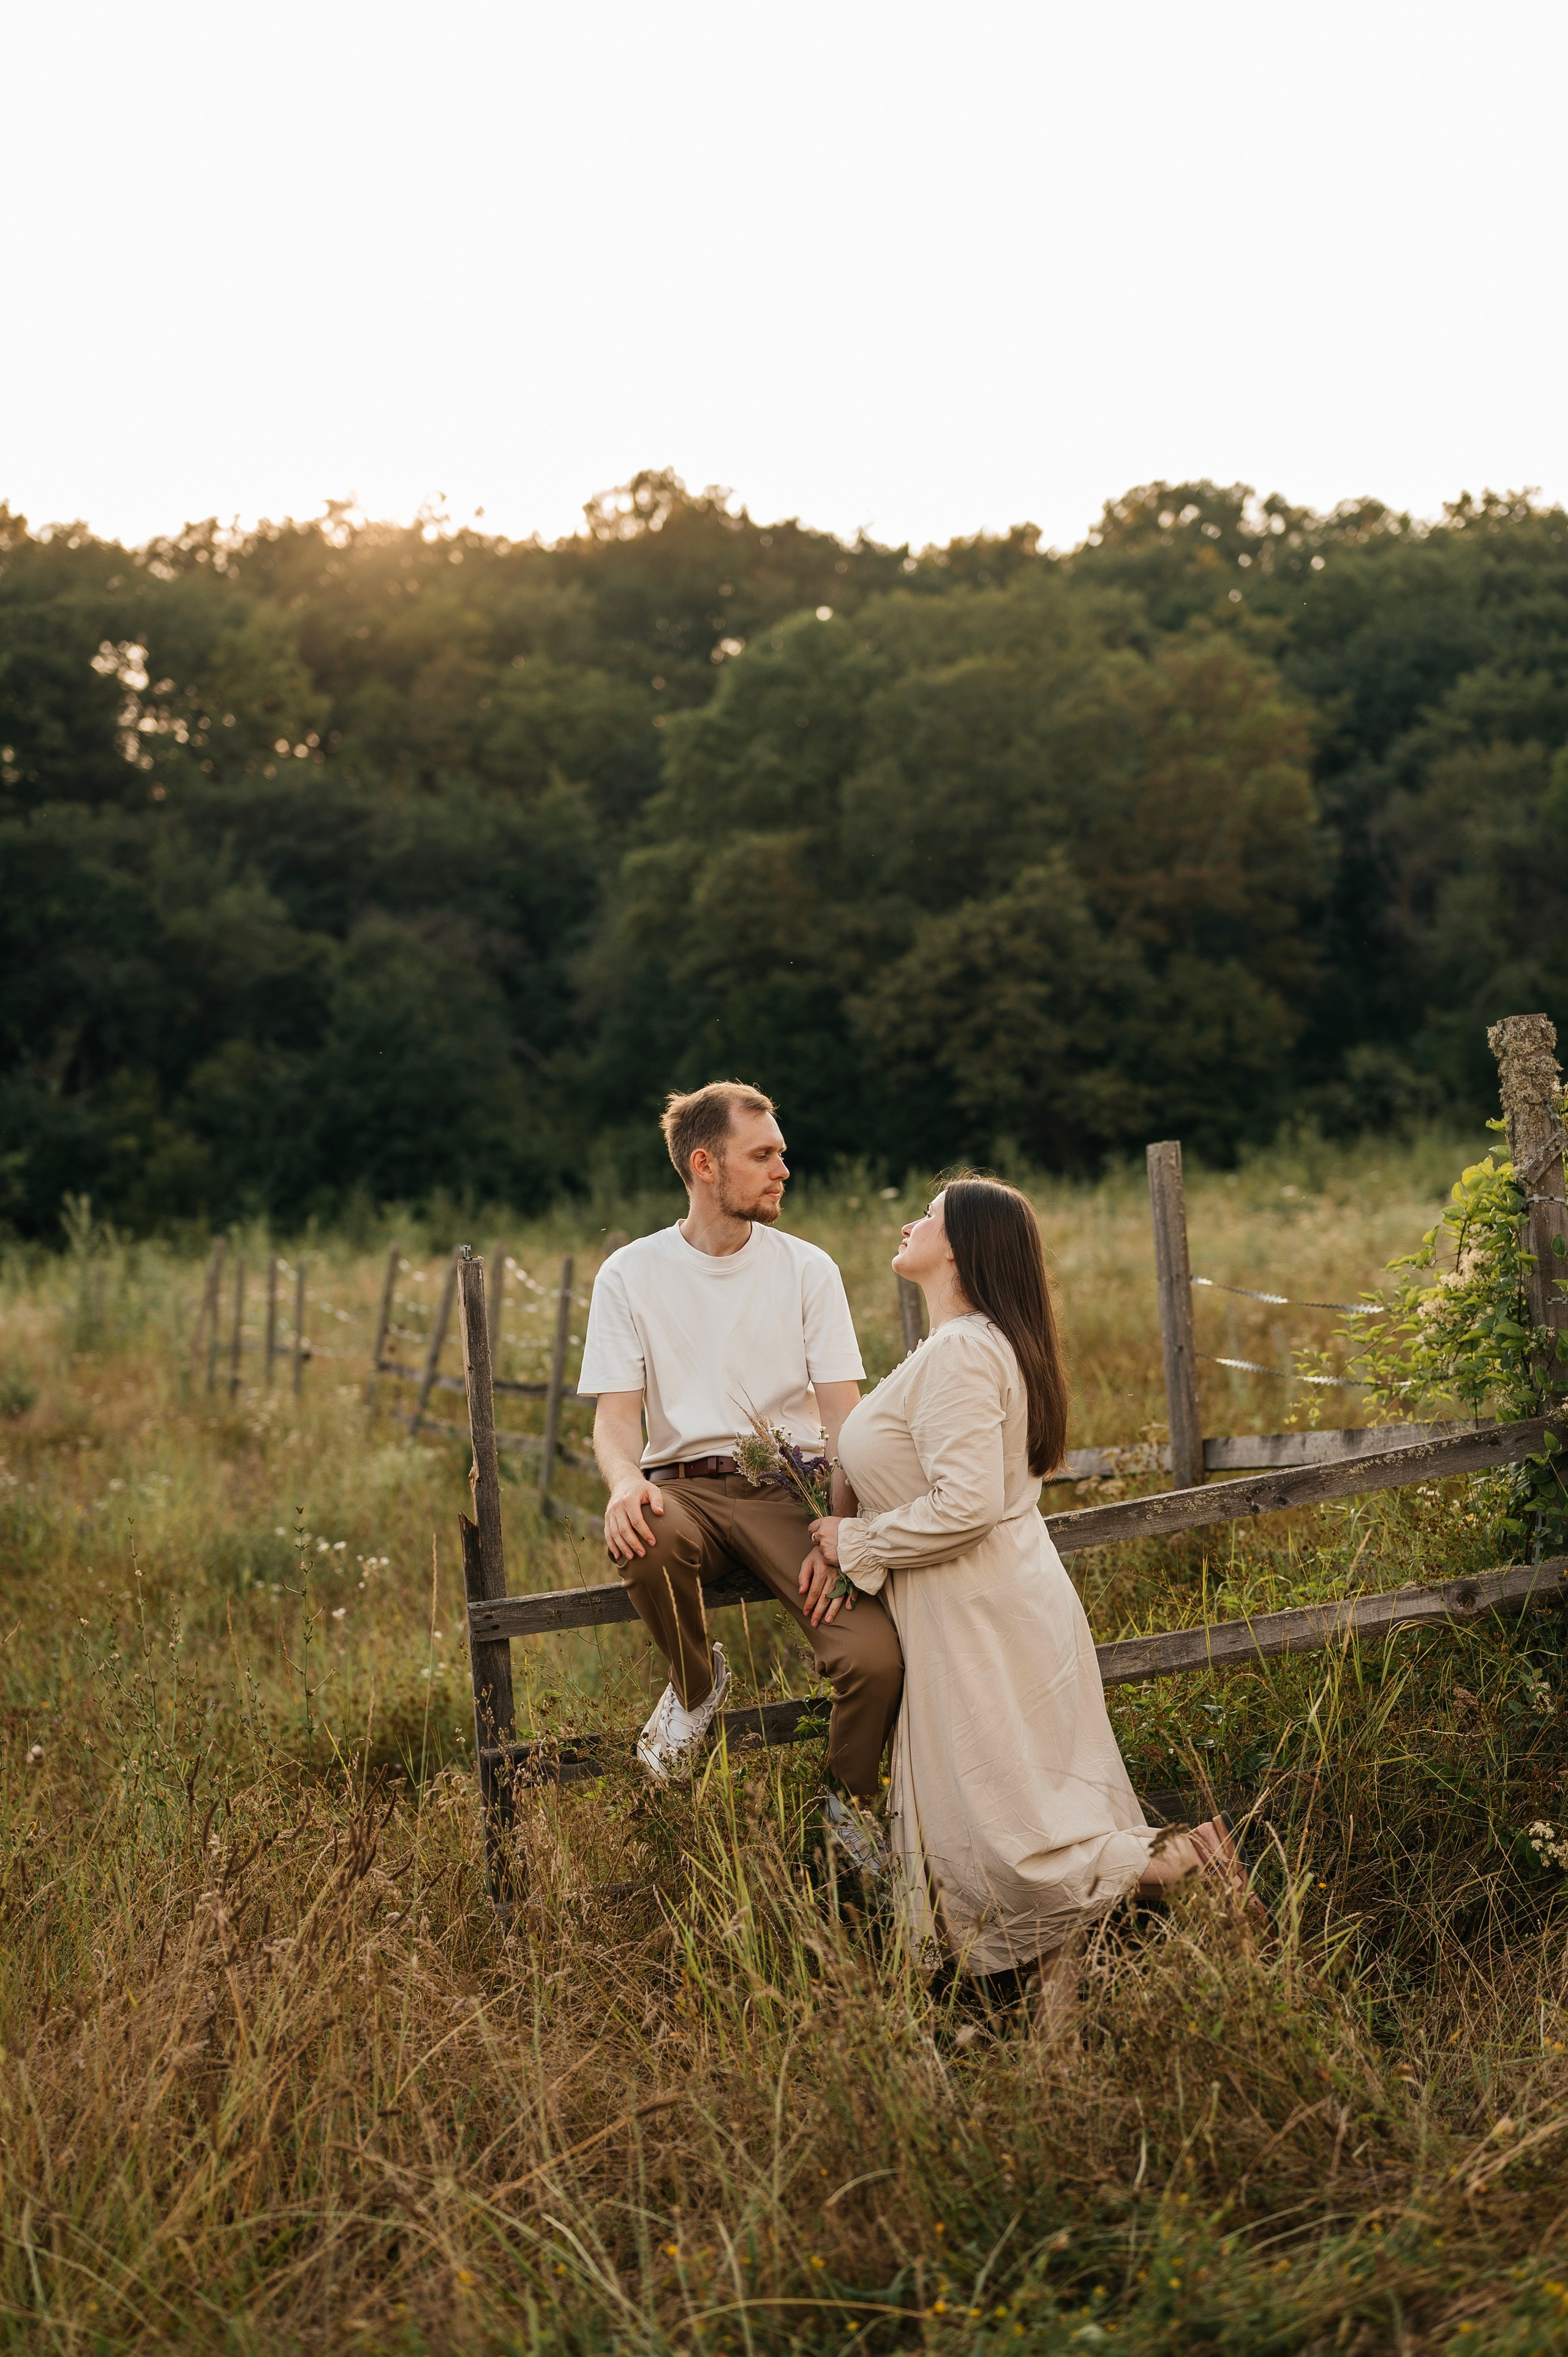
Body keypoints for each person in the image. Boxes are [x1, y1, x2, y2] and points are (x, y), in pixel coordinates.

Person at [799, 1174, 1256, 1990]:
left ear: (966, 1246)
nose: (909, 1223)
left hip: (982, 1617)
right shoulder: (953, 1349)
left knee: (1010, 1845)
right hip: (972, 1608)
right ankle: (1058, 2053)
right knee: (1020, 1825)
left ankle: (1188, 1857)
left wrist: (854, 1540)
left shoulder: (967, 1350)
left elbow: (967, 1505)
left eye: (929, 1216)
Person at [578, 1080, 903, 1806]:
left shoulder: (808, 1268)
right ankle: (696, 1689)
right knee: (643, 1526)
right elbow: (614, 1417)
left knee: (874, 1662)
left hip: (793, 1490)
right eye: (762, 1155)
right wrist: (625, 1482)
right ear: (704, 1163)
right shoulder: (629, 1273)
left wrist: (842, 1529)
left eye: (780, 1153)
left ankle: (847, 1819)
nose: (783, 1169)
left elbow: (844, 1420)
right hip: (685, 1490)